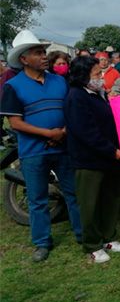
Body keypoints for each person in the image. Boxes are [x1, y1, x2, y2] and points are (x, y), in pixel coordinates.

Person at [0, 30, 81, 262]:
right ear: (24, 59)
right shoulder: (13, 86)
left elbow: (69, 110)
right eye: (37, 53)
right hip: (33, 152)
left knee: (73, 192)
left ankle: (82, 233)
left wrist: (63, 131)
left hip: (62, 147)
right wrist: (48, 133)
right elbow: (15, 122)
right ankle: (42, 242)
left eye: (43, 52)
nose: (44, 56)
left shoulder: (59, 81)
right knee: (38, 199)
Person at [64, 56, 120, 263]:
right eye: (96, 73)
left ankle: (108, 236)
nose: (101, 77)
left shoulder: (98, 94)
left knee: (110, 198)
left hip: (108, 158)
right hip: (89, 160)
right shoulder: (76, 97)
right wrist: (111, 150)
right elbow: (87, 132)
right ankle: (92, 244)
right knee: (89, 204)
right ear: (83, 76)